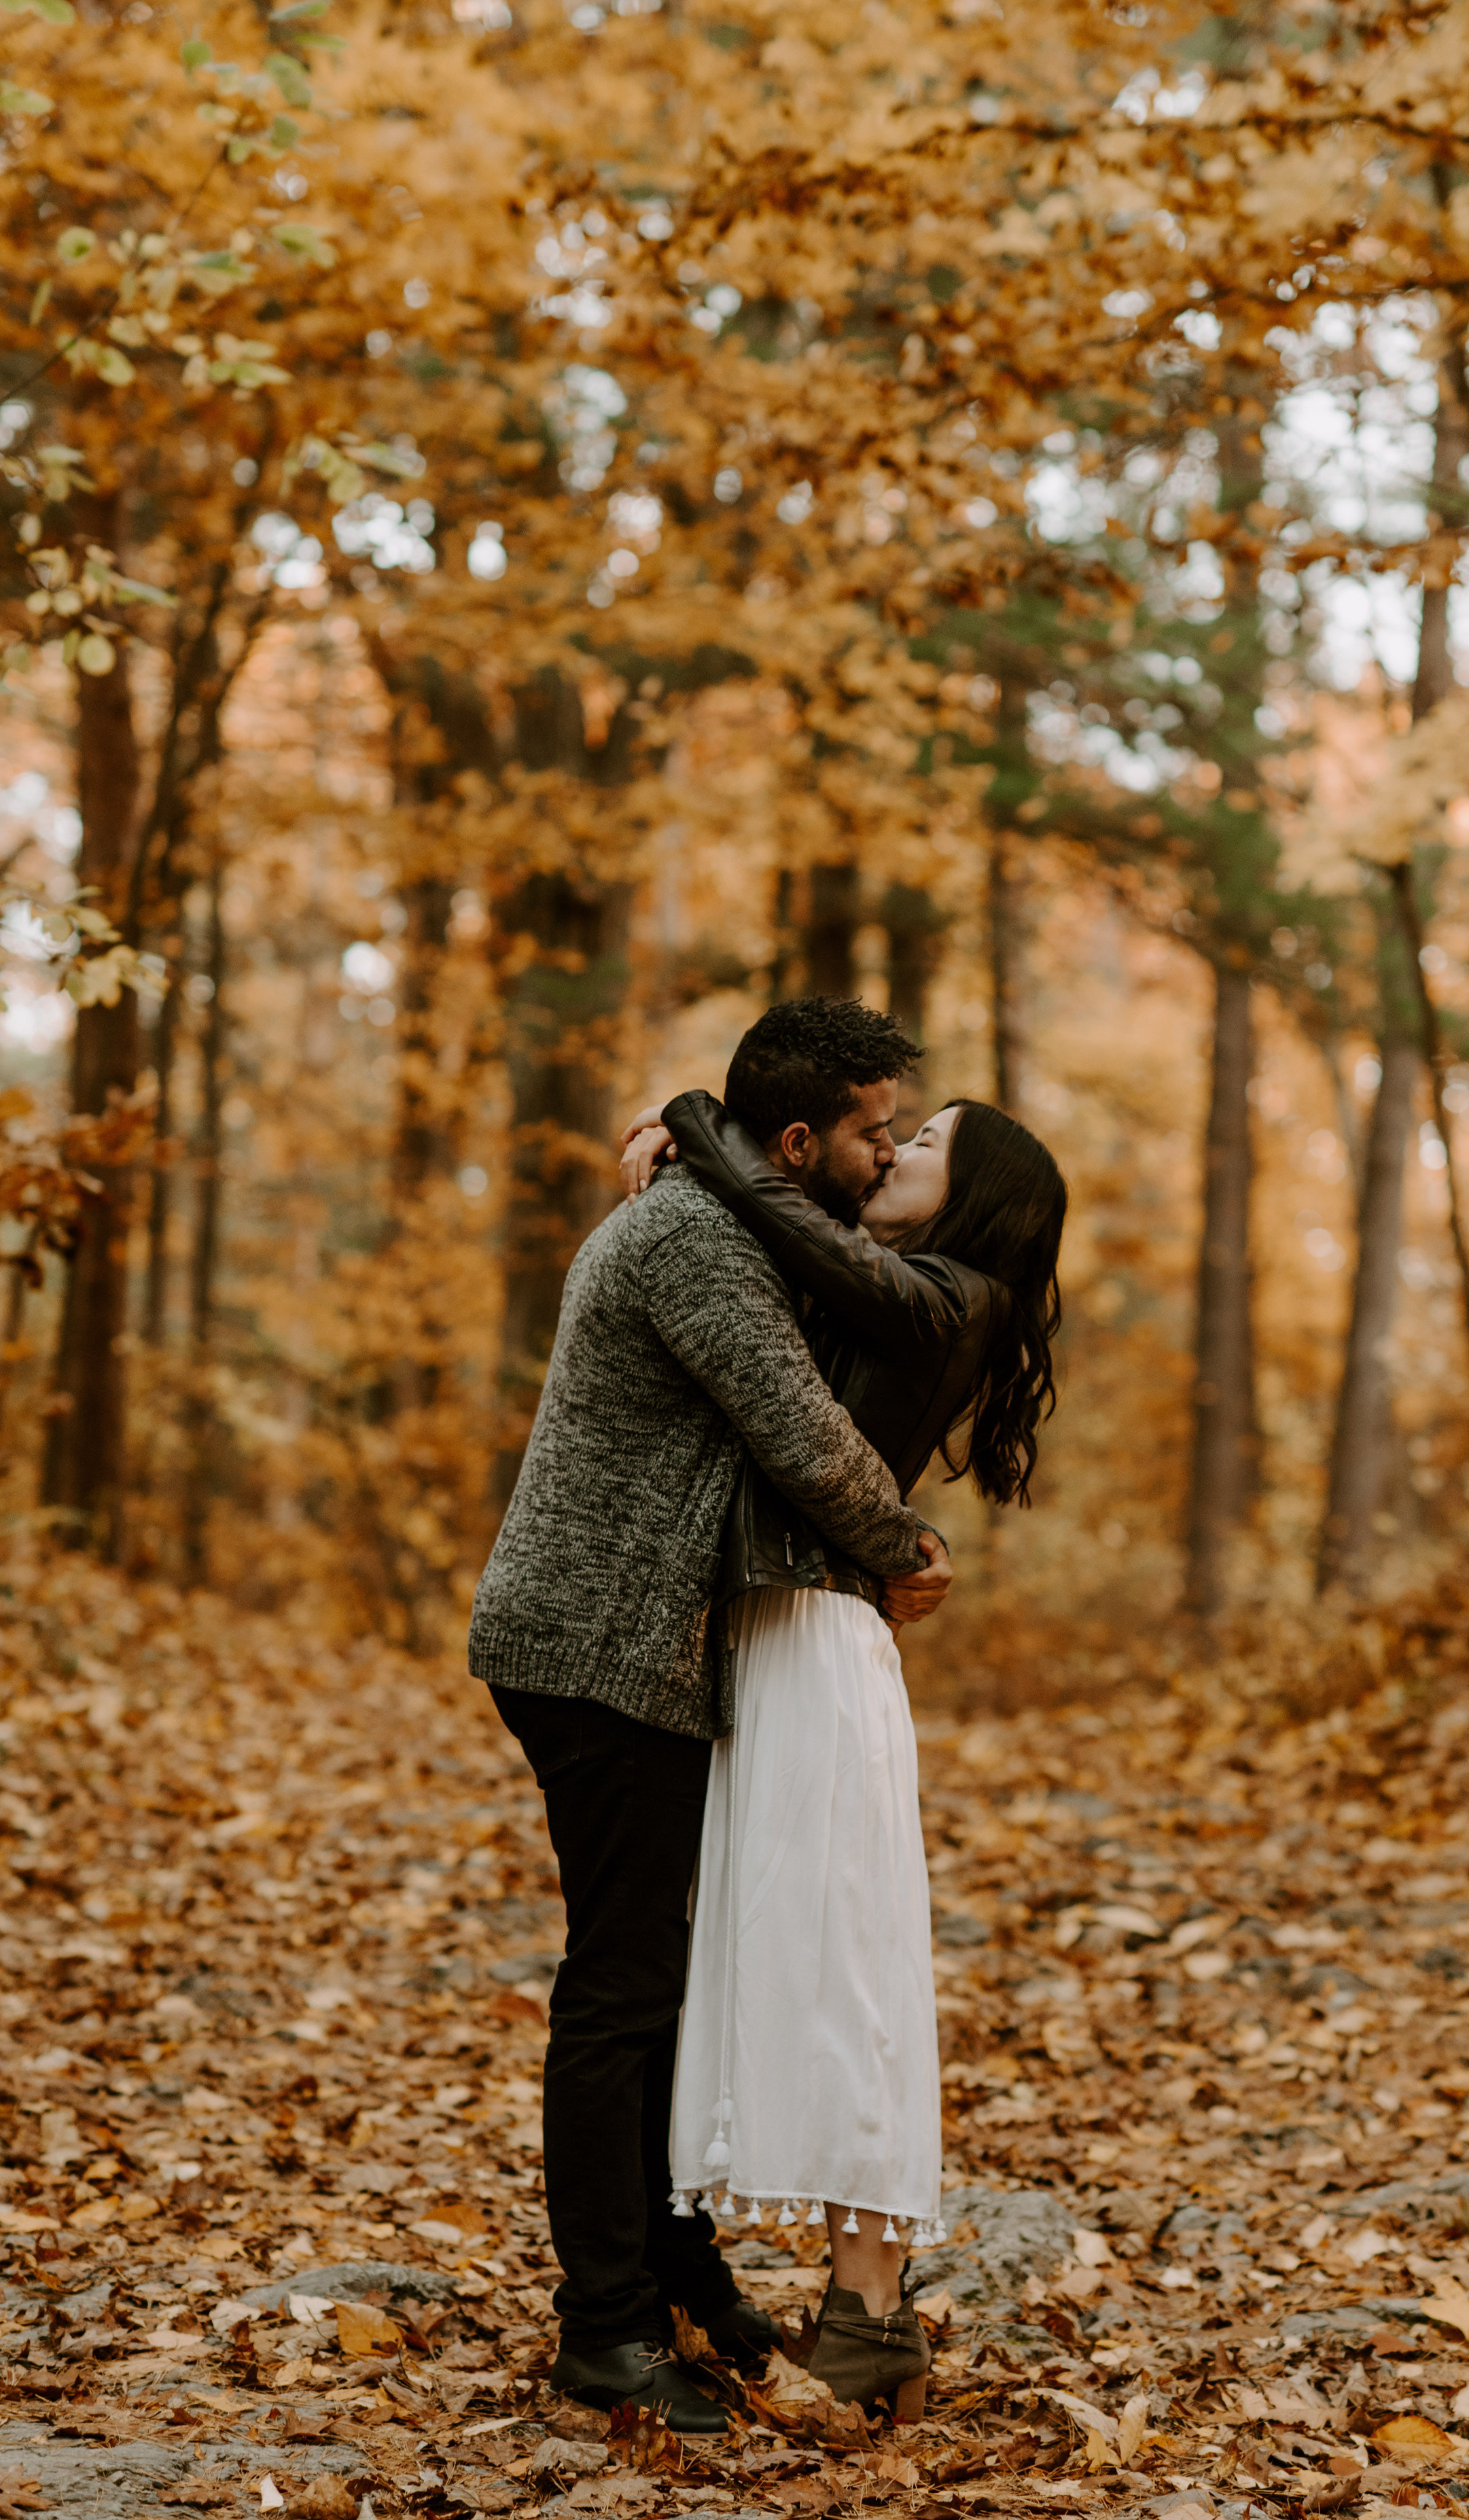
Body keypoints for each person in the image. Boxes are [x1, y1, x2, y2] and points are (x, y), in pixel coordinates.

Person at [467, 999, 955, 2435]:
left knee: (661, 1982)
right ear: (798, 1140)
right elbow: (796, 1428)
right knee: (621, 1986)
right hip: (590, 1643)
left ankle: (676, 2277)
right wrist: (902, 1543)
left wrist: (670, 1118)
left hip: (633, 1647)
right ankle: (601, 2334)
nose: (883, 1152)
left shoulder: (729, 1219)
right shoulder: (695, 1241)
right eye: (874, 1129)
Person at [619, 1060, 1067, 2424]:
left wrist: (700, 1127)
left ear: (972, 1191)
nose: (890, 1153)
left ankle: (870, 2311)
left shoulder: (954, 1294)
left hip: (818, 1647)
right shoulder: (882, 1288)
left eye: (920, 1142)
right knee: (796, 1960)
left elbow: (803, 1239)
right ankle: (847, 2303)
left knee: (848, 1970)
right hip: (787, 1632)